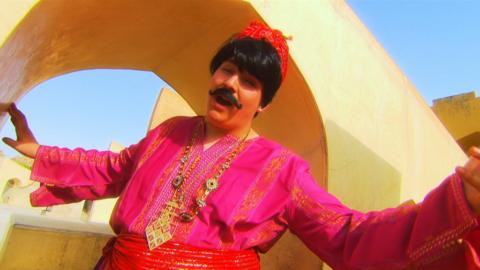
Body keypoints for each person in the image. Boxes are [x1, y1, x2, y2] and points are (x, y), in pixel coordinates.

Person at [3, 21, 480, 270]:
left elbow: (347, 235)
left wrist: (459, 204)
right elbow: (112, 167)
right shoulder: (168, 135)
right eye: (226, 70)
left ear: (262, 104)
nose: (230, 83)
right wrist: (38, 152)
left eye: (248, 81)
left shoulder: (282, 169)